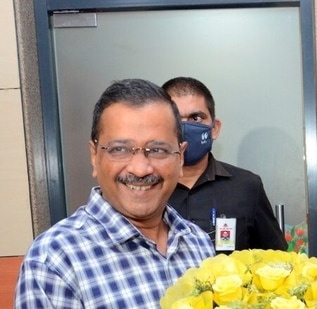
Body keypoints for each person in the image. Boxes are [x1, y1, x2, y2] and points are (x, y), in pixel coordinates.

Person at [15, 79, 215, 308]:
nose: (140, 169)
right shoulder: (54, 261)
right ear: (94, 156)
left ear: (180, 157)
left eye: (158, 150)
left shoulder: (197, 241)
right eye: (119, 149)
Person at [162, 77, 287, 254]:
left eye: (196, 118)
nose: (186, 128)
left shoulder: (247, 186)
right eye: (175, 118)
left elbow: (276, 259)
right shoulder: (146, 186)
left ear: (214, 129)